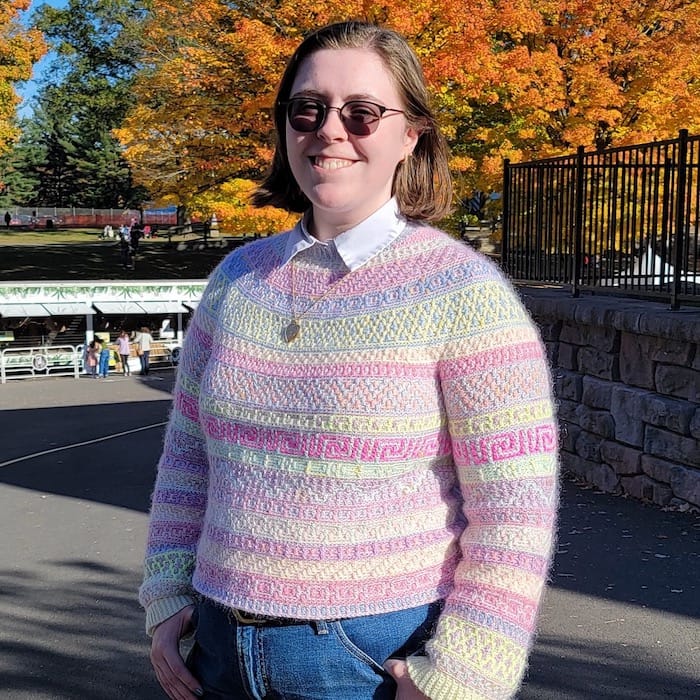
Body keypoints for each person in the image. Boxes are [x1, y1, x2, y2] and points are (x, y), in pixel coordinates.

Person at [141, 20, 559, 700]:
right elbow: (188, 457)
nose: (331, 129)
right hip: (214, 646)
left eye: (362, 112)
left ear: (410, 134)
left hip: (366, 657)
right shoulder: (236, 282)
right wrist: (163, 598)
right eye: (308, 108)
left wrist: (466, 673)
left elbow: (516, 508)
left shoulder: (464, 293)